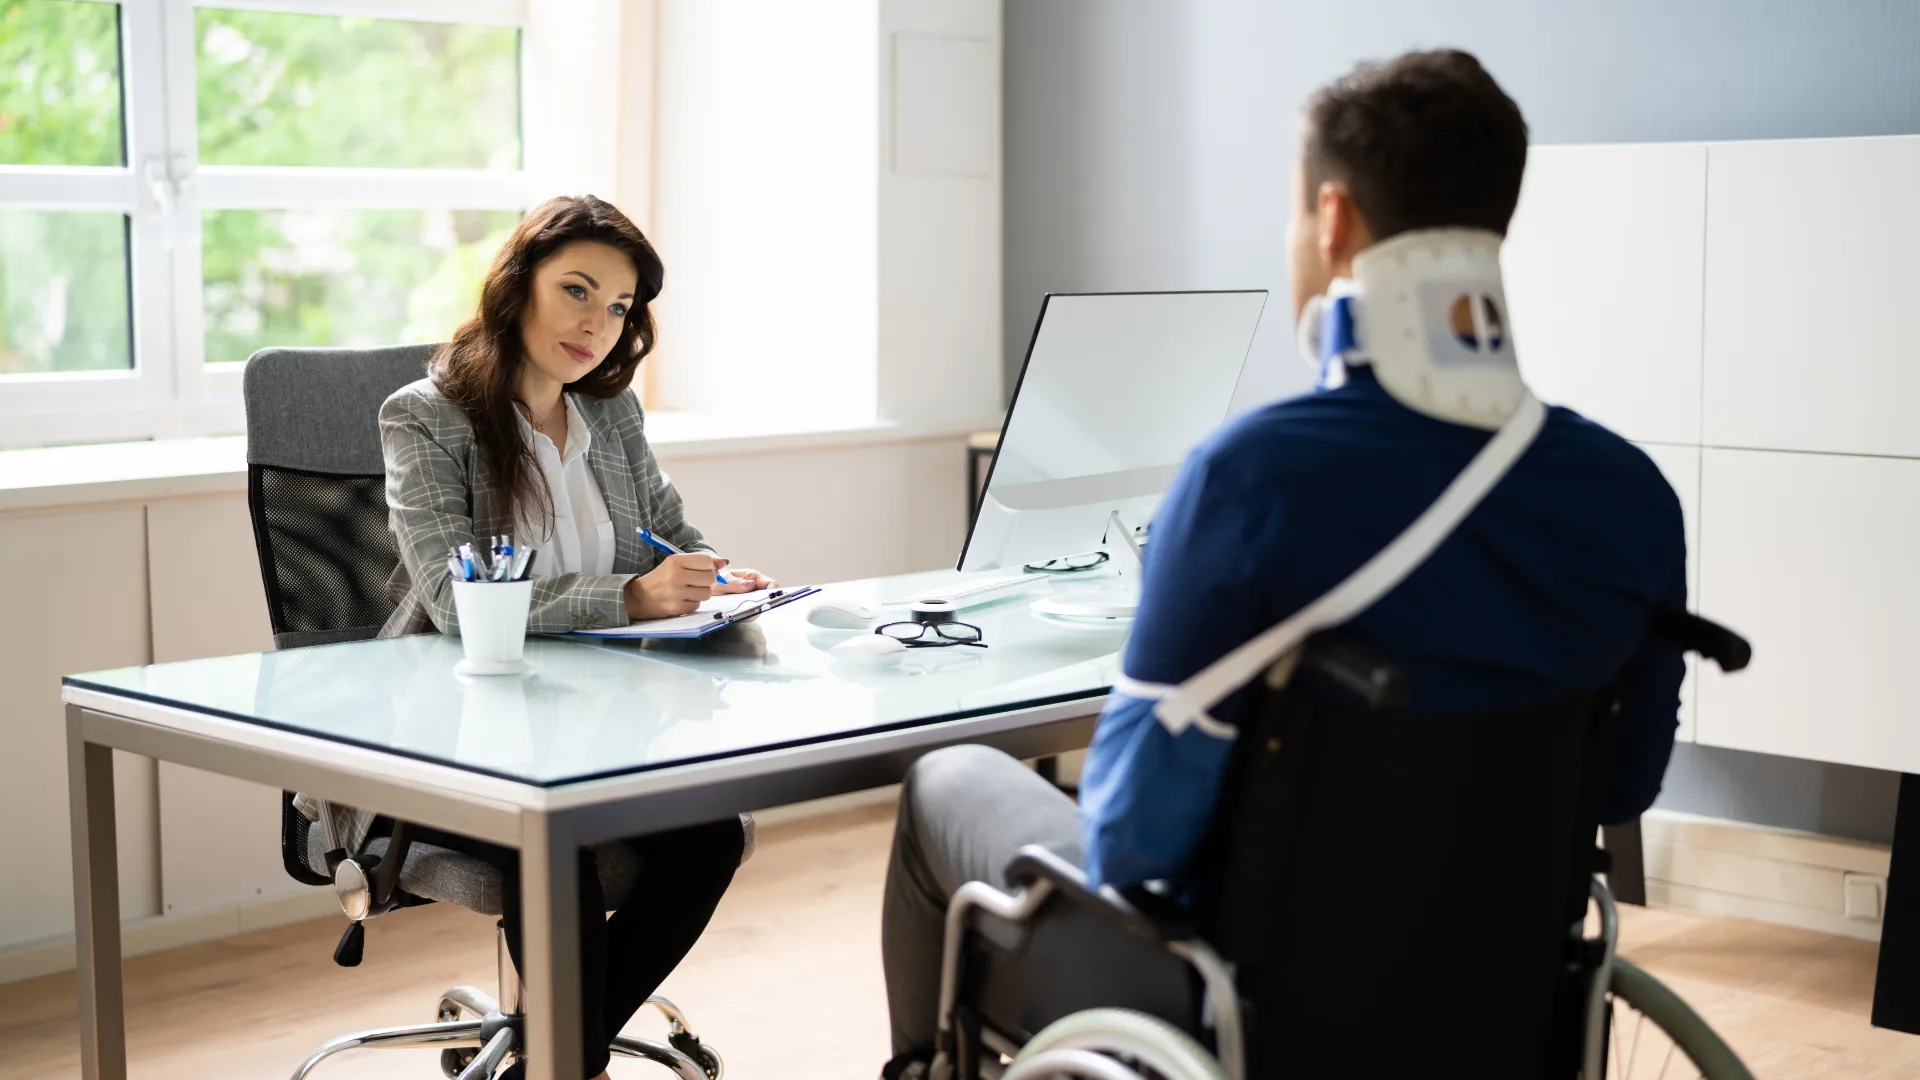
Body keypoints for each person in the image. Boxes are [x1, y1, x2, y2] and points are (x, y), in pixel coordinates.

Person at [878, 49, 1688, 1076]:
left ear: (1335, 220)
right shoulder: (1631, 494)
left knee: (946, 779)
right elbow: (1625, 779)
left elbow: (1131, 842)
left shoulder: (1253, 479)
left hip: (1248, 994)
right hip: (1501, 977)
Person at [379, 194, 775, 1080]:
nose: (597, 324)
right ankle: (575, 1066)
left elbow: (665, 528)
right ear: (519, 288)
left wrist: (713, 573)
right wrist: (629, 599)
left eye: (620, 307)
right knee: (554, 839)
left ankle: (557, 1061)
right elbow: (450, 599)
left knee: (710, 834)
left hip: (603, 723)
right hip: (461, 732)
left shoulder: (611, 413)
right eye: (578, 291)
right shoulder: (426, 417)